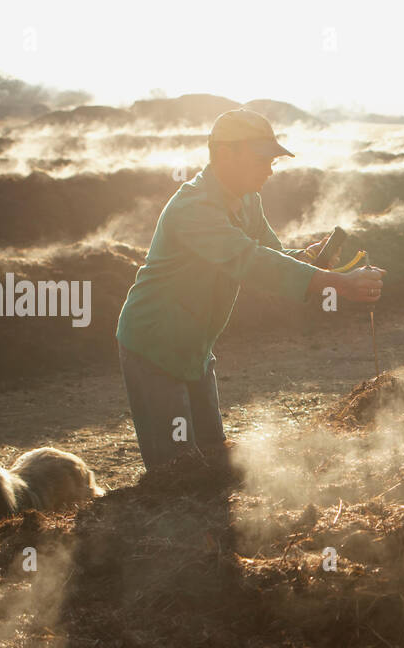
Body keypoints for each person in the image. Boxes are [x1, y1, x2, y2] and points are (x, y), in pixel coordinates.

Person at [115, 107, 385, 471]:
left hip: (195, 344)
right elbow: (250, 261)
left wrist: (309, 259)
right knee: (176, 468)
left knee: (213, 449)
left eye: (273, 160)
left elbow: (272, 254)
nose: (270, 169)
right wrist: (341, 284)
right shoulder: (193, 209)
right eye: (262, 159)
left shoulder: (247, 201)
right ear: (226, 153)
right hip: (155, 344)